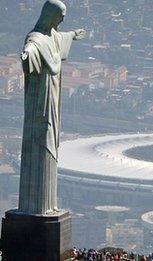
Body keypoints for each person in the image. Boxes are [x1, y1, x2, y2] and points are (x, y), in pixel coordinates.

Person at [18, 0, 85, 214]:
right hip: (41, 102)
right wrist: (27, 54)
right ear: (50, 15)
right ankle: (35, 207)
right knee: (41, 141)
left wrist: (73, 34)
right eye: (60, 15)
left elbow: (60, 40)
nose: (63, 20)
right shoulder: (36, 39)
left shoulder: (54, 36)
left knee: (51, 143)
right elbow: (32, 47)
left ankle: (47, 205)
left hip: (53, 99)